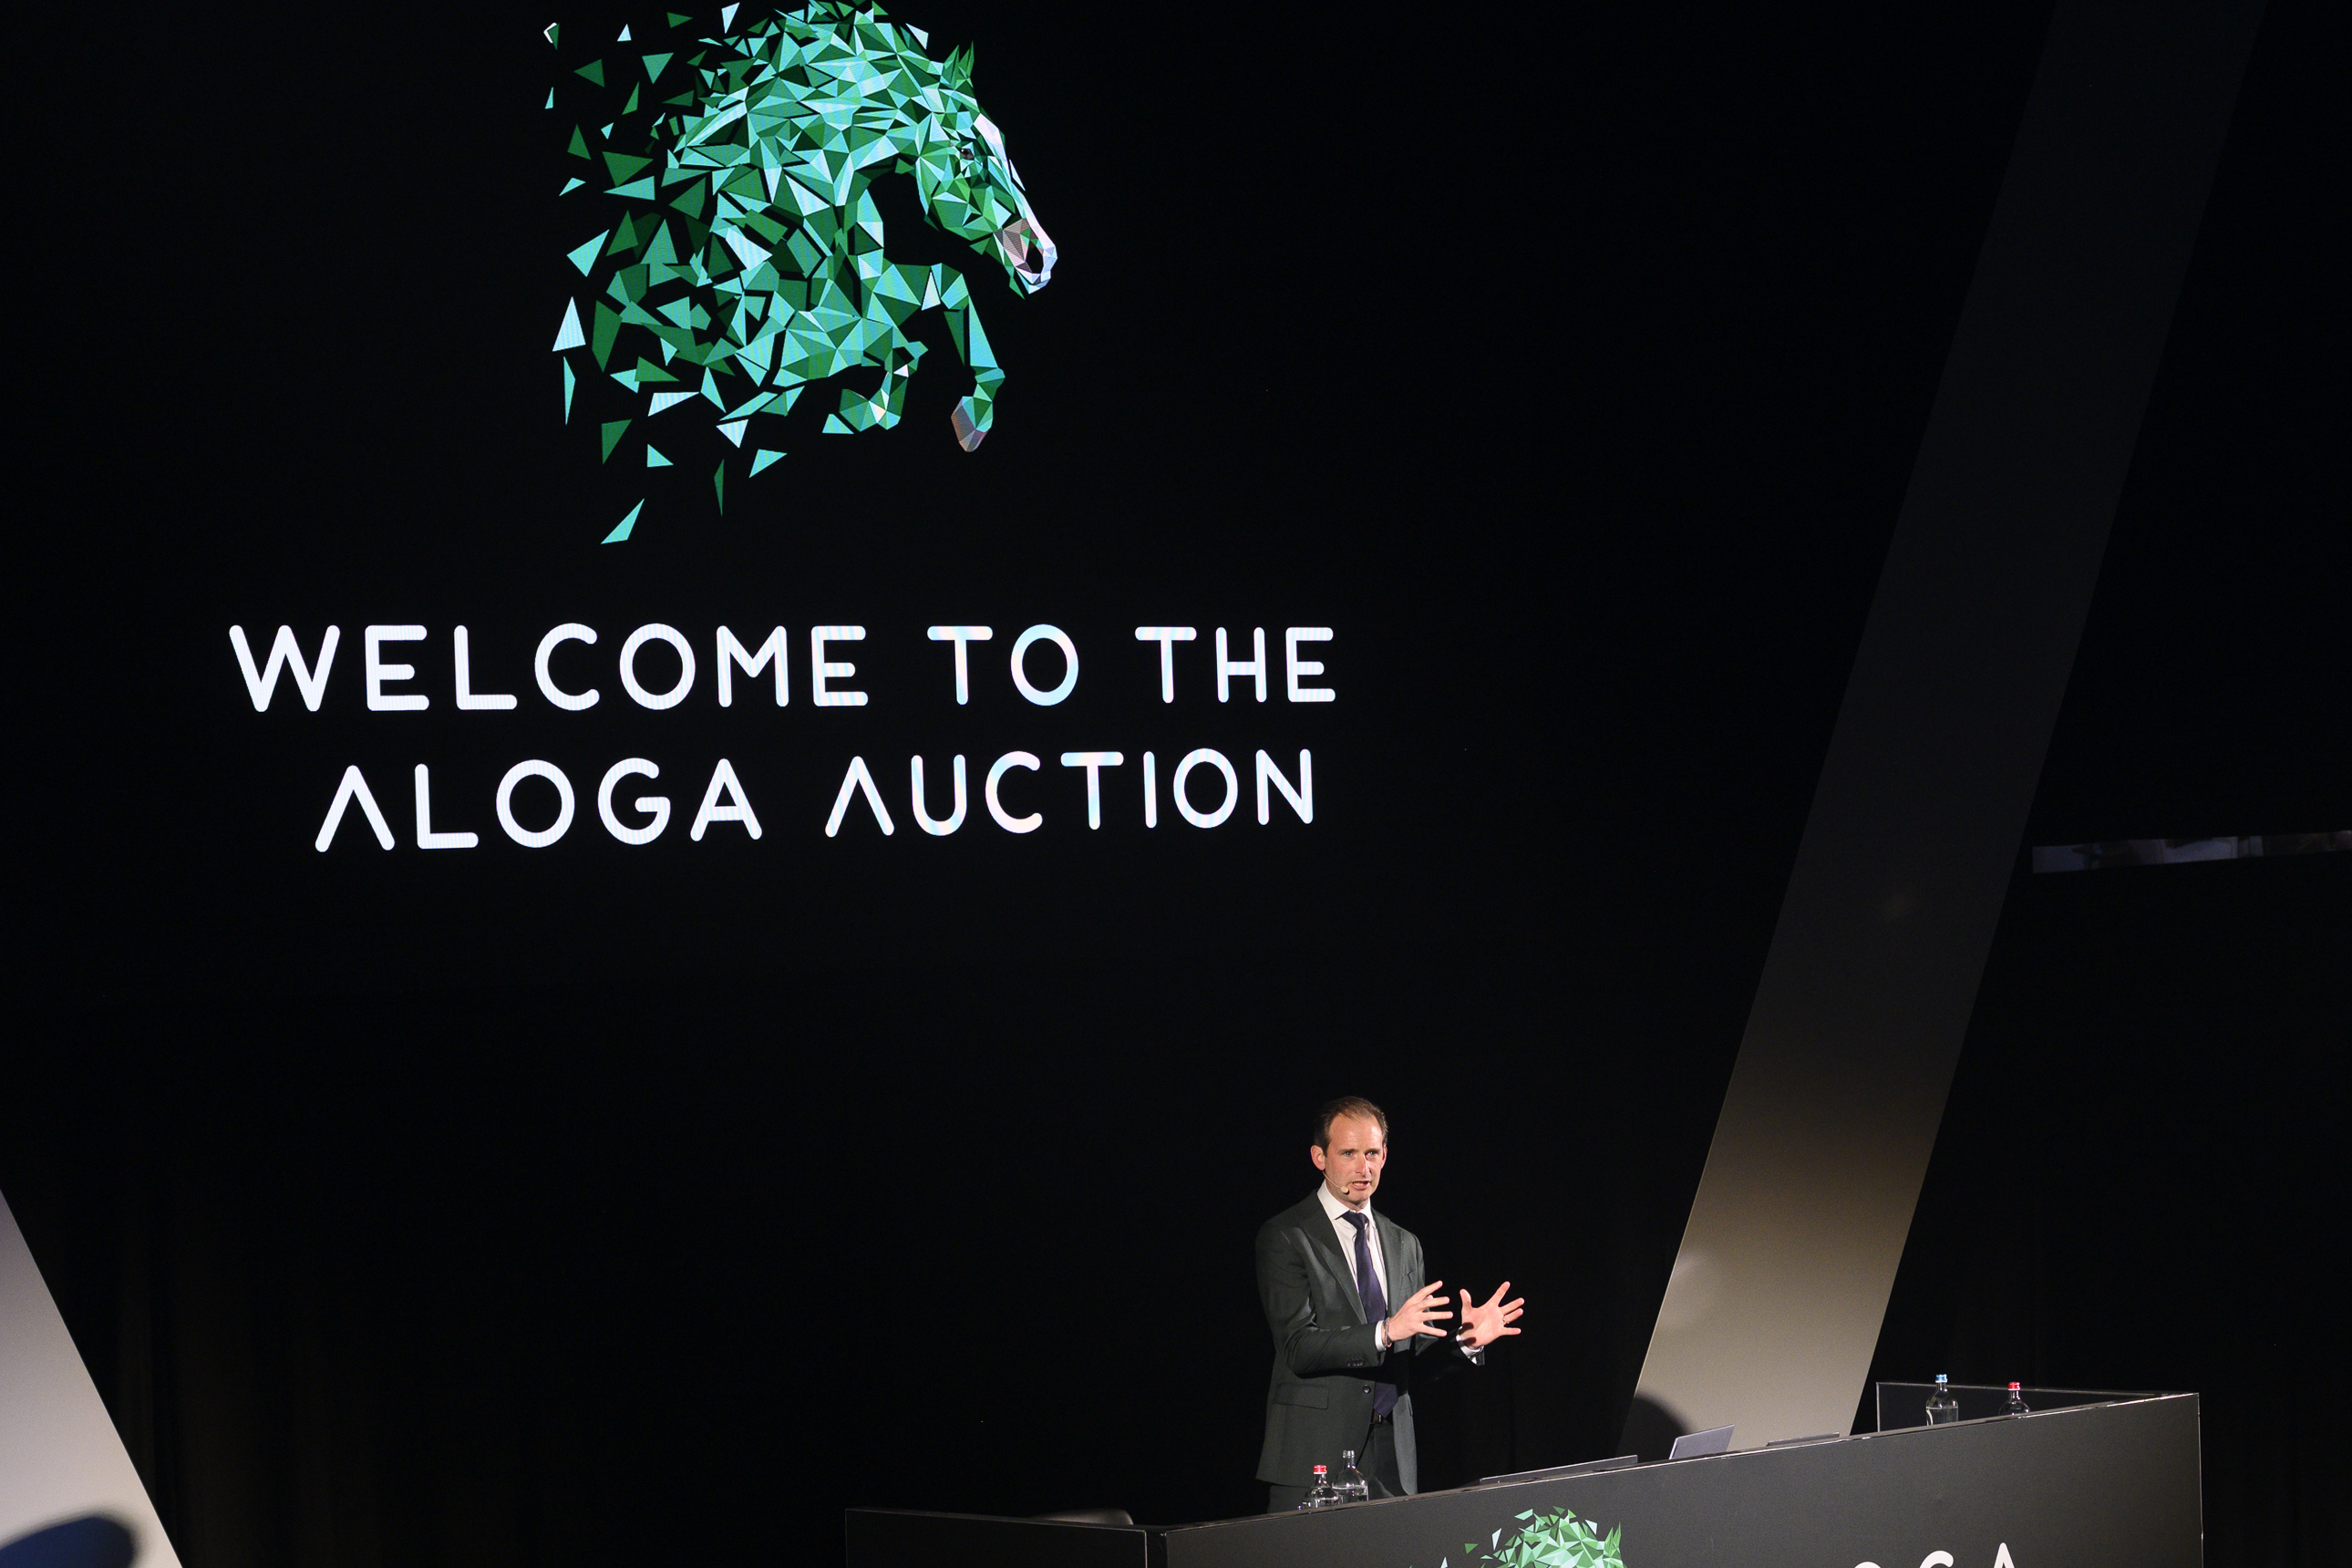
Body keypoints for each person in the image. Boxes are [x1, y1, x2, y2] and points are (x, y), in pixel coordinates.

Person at [1253, 1097, 1525, 1511]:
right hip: (1314, 1455)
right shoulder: (1287, 1236)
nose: (1363, 1168)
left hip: (1392, 1457)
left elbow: (1409, 1362)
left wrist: (1465, 1341)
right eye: (1348, 1153)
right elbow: (1297, 1346)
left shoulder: (1403, 1243)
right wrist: (1385, 1332)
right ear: (1319, 1157)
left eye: (1372, 1153)